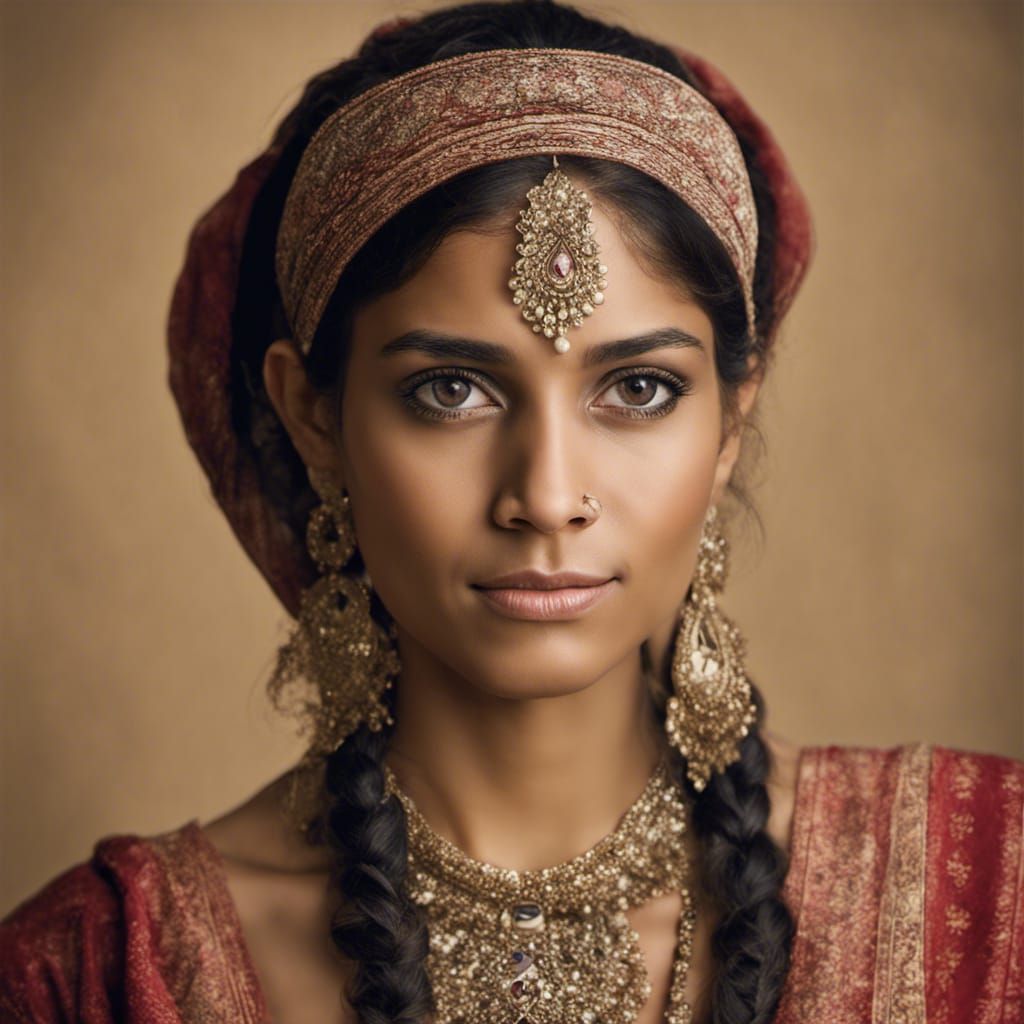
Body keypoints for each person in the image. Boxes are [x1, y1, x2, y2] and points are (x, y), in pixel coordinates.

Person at [1, 2, 1021, 1023]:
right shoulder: (92, 978)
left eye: (638, 390)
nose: (544, 497)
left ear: (729, 425)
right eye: (450, 390)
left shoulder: (986, 895)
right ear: (312, 417)